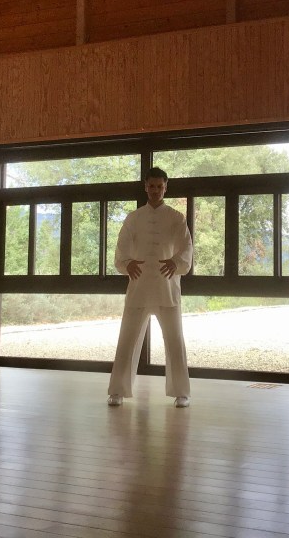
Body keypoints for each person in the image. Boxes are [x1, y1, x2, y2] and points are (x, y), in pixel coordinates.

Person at [107, 166, 193, 408]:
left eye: (160, 186)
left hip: (167, 288)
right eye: (152, 186)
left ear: (166, 188)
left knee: (175, 341)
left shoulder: (176, 218)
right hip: (139, 287)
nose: (156, 190)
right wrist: (127, 264)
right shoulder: (133, 218)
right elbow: (121, 249)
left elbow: (186, 248)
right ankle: (117, 391)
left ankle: (181, 392)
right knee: (127, 340)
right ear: (146, 187)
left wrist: (176, 262)